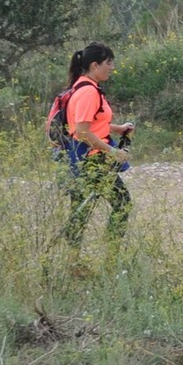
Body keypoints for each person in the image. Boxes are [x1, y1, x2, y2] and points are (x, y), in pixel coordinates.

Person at [54, 43, 133, 244]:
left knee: (80, 212)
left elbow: (91, 124)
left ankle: (72, 260)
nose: (112, 67)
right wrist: (113, 152)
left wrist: (118, 129)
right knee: (122, 203)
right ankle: (111, 256)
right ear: (95, 65)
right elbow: (82, 132)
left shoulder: (81, 87)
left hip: (81, 159)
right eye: (109, 63)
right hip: (93, 161)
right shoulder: (88, 92)